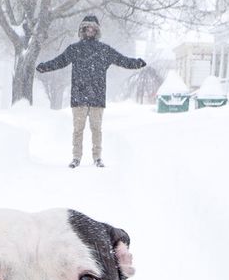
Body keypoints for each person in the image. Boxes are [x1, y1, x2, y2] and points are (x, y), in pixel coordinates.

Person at [36, 15, 146, 168]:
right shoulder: (74, 49)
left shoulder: (104, 50)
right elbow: (60, 61)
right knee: (78, 130)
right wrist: (45, 67)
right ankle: (76, 157)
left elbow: (122, 60)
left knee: (96, 130)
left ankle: (97, 158)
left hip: (97, 96)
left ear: (97, 30)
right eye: (87, 27)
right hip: (79, 96)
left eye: (93, 28)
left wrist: (136, 63)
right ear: (82, 29)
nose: (90, 30)